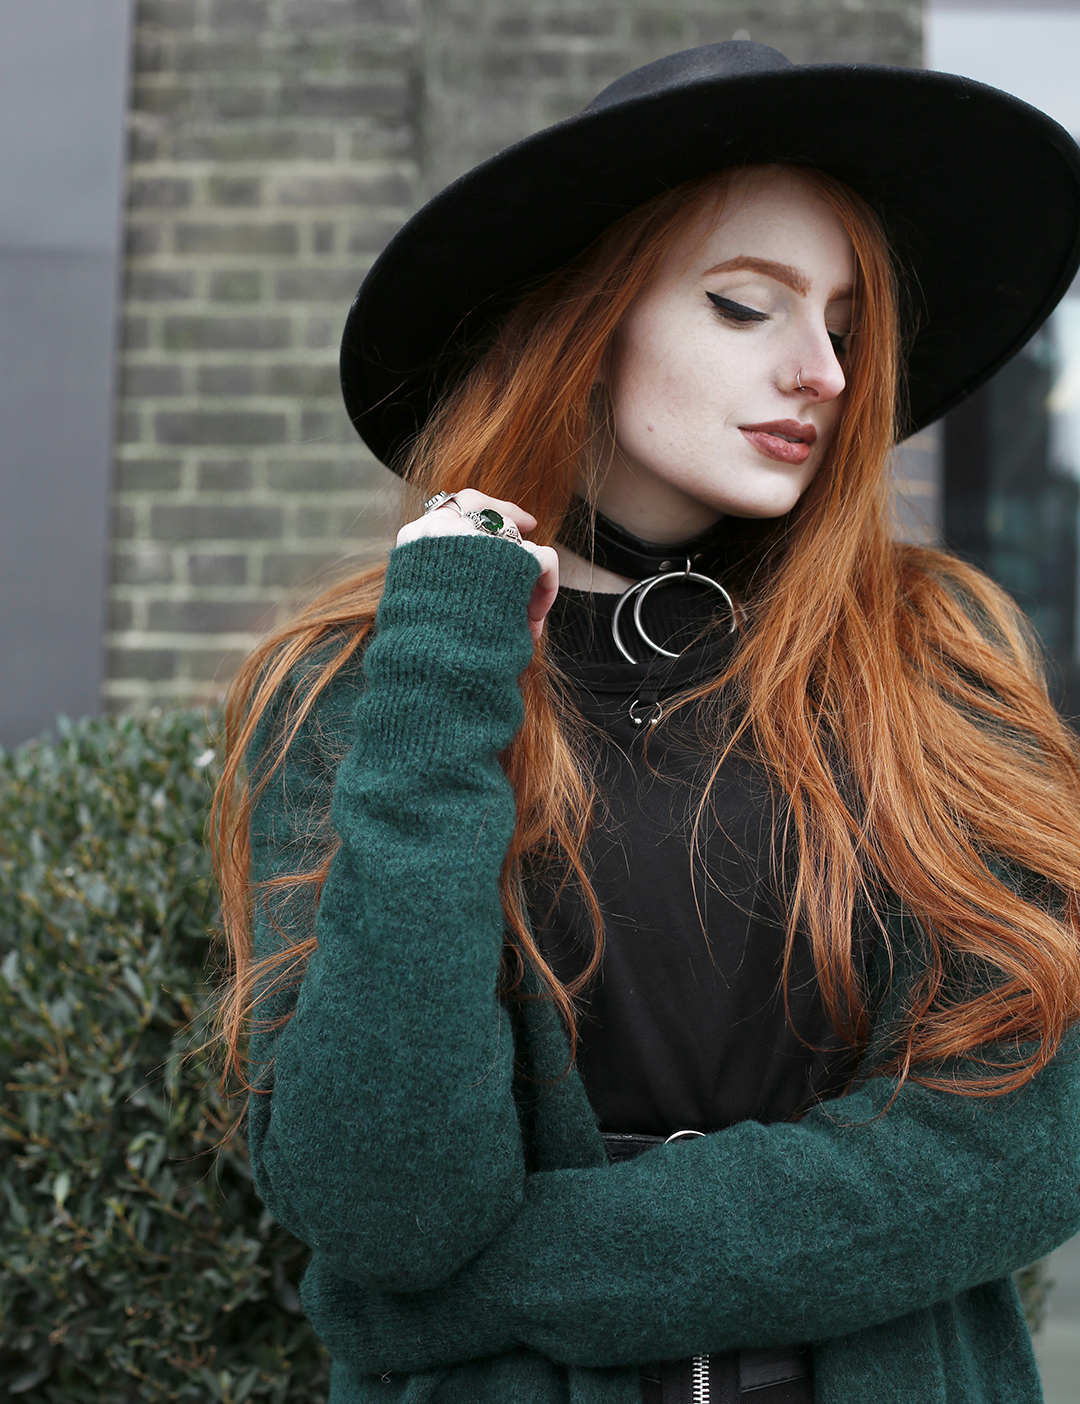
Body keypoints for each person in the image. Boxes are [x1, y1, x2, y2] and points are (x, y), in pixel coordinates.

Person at [212, 41, 1080, 1404]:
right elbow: (384, 1204)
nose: (827, 374)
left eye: (843, 326)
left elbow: (1021, 1141)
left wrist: (498, 1290)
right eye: (748, 306)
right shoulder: (359, 685)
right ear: (584, 319)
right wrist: (443, 652)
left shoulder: (935, 662)